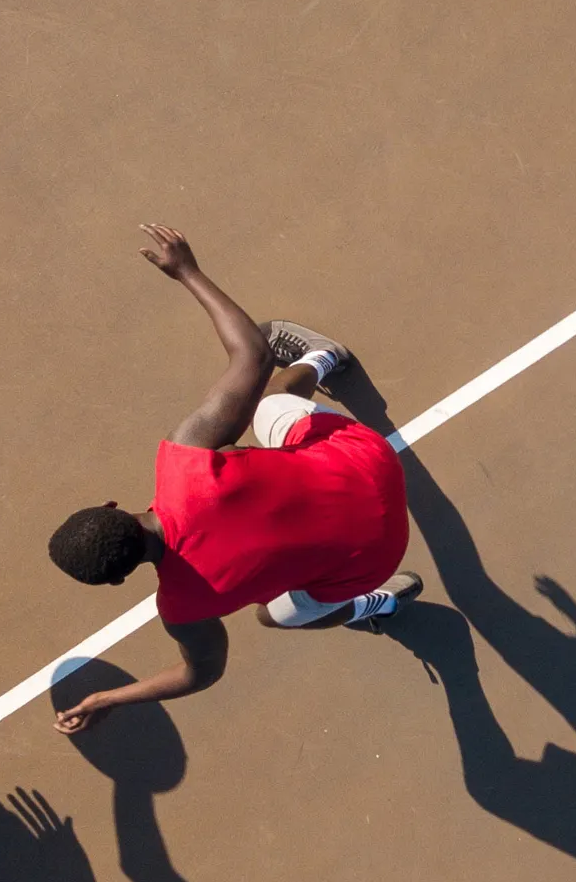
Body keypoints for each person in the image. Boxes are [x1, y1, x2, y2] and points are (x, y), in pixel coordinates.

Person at [47, 225, 419, 730]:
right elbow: (255, 354)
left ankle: (381, 602)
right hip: (367, 461)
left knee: (277, 615)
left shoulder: (183, 605)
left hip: (377, 554)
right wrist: (187, 272)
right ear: (112, 506)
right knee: (270, 402)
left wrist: (109, 698)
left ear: (118, 577)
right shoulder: (184, 459)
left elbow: (200, 674)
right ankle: (323, 358)